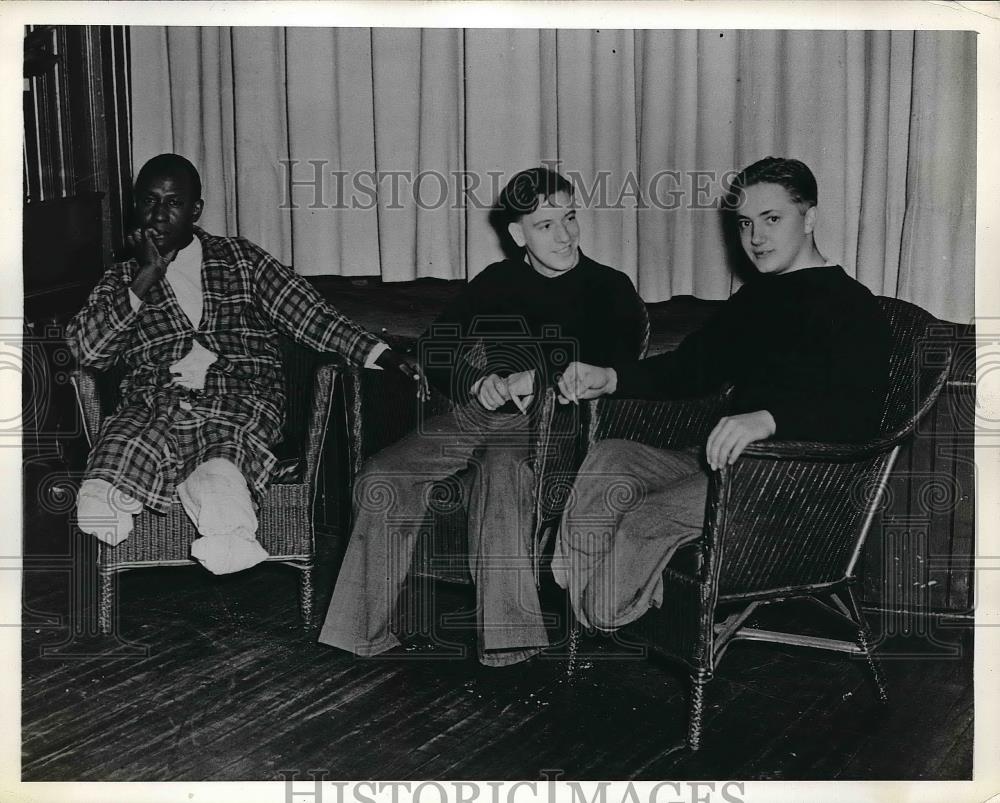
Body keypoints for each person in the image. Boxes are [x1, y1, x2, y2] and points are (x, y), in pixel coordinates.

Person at [318, 166, 647, 666]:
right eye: (545, 225)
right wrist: (476, 383)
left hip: (554, 424)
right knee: (383, 473)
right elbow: (437, 345)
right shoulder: (499, 280)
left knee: (502, 470)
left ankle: (510, 643)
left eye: (570, 218)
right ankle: (359, 635)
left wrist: (534, 378)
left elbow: (613, 359)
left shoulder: (609, 287)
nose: (564, 235)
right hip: (479, 413)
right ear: (518, 234)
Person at [552, 156, 891, 631]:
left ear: (810, 217)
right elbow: (692, 369)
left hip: (787, 478)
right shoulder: (757, 298)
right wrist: (610, 377)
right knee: (609, 460)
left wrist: (768, 419)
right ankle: (593, 618)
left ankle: (604, 614)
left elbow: (859, 413)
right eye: (745, 223)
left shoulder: (853, 306)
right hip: (722, 462)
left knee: (647, 516)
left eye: (772, 219)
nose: (756, 238)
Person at [68, 153, 422, 576]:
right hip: (156, 403)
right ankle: (113, 495)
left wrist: (383, 355)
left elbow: (311, 316)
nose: (158, 215)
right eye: (148, 202)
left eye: (172, 203)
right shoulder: (121, 280)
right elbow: (86, 352)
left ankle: (223, 525)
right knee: (125, 435)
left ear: (195, 210)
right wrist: (146, 276)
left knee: (223, 455)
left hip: (239, 398)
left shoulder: (242, 259)